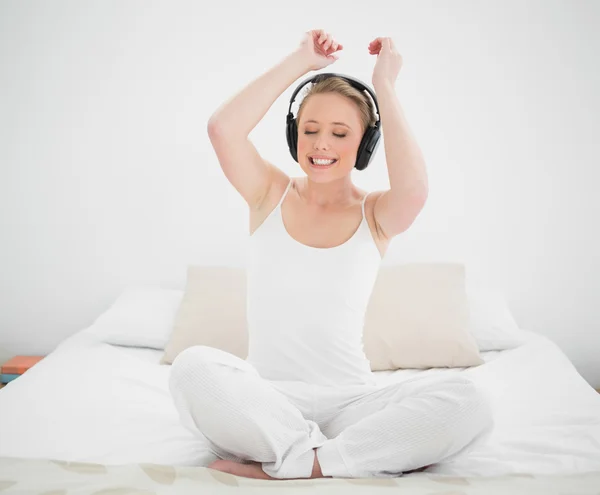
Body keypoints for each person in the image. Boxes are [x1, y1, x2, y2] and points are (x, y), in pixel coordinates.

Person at [168, 29, 494, 480]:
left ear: (363, 145)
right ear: (294, 135)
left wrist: (386, 86)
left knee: (470, 400)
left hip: (353, 402)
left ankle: (304, 464)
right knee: (193, 367)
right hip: (268, 402)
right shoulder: (269, 194)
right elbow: (222, 129)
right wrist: (301, 61)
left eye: (340, 133)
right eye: (311, 130)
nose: (322, 144)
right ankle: (330, 458)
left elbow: (414, 188)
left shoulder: (375, 214)